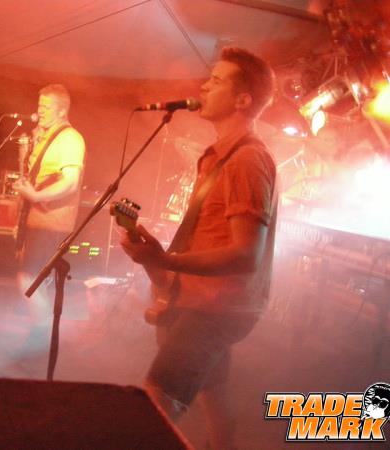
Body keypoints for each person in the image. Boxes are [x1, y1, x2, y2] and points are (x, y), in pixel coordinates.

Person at [121, 47, 277, 449]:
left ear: (242, 100)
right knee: (215, 398)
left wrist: (166, 259)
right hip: (199, 298)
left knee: (153, 407)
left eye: (217, 80)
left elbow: (246, 255)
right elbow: (209, 236)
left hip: (215, 308)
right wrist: (156, 260)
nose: (204, 86)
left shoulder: (247, 161)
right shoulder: (217, 158)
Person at [13, 84, 85, 335]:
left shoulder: (70, 139)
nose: (39, 111)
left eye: (46, 107)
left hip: (51, 223)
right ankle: (42, 331)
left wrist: (35, 196)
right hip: (37, 220)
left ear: (62, 111)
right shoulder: (46, 137)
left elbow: (71, 182)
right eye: (39, 105)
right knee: (35, 280)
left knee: (28, 278)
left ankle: (43, 332)